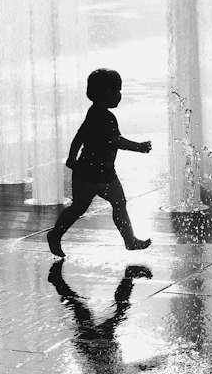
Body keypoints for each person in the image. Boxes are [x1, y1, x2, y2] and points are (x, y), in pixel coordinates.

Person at [47, 67, 152, 257]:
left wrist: (71, 157)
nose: (120, 95)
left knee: (112, 203)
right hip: (91, 174)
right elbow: (115, 141)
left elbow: (80, 135)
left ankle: (130, 240)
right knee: (87, 207)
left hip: (97, 172)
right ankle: (55, 235)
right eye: (118, 91)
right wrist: (139, 147)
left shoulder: (93, 112)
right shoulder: (105, 117)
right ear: (108, 93)